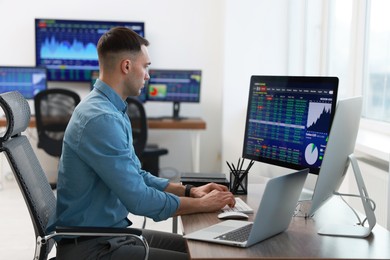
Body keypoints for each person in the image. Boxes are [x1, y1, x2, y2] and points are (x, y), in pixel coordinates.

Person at [47, 26, 235, 260]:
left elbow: (138, 175)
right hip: (91, 247)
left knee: (202, 247)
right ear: (126, 66)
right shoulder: (101, 118)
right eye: (145, 66)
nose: (148, 75)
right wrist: (203, 205)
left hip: (109, 235)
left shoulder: (111, 109)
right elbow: (139, 200)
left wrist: (190, 190)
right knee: (203, 256)